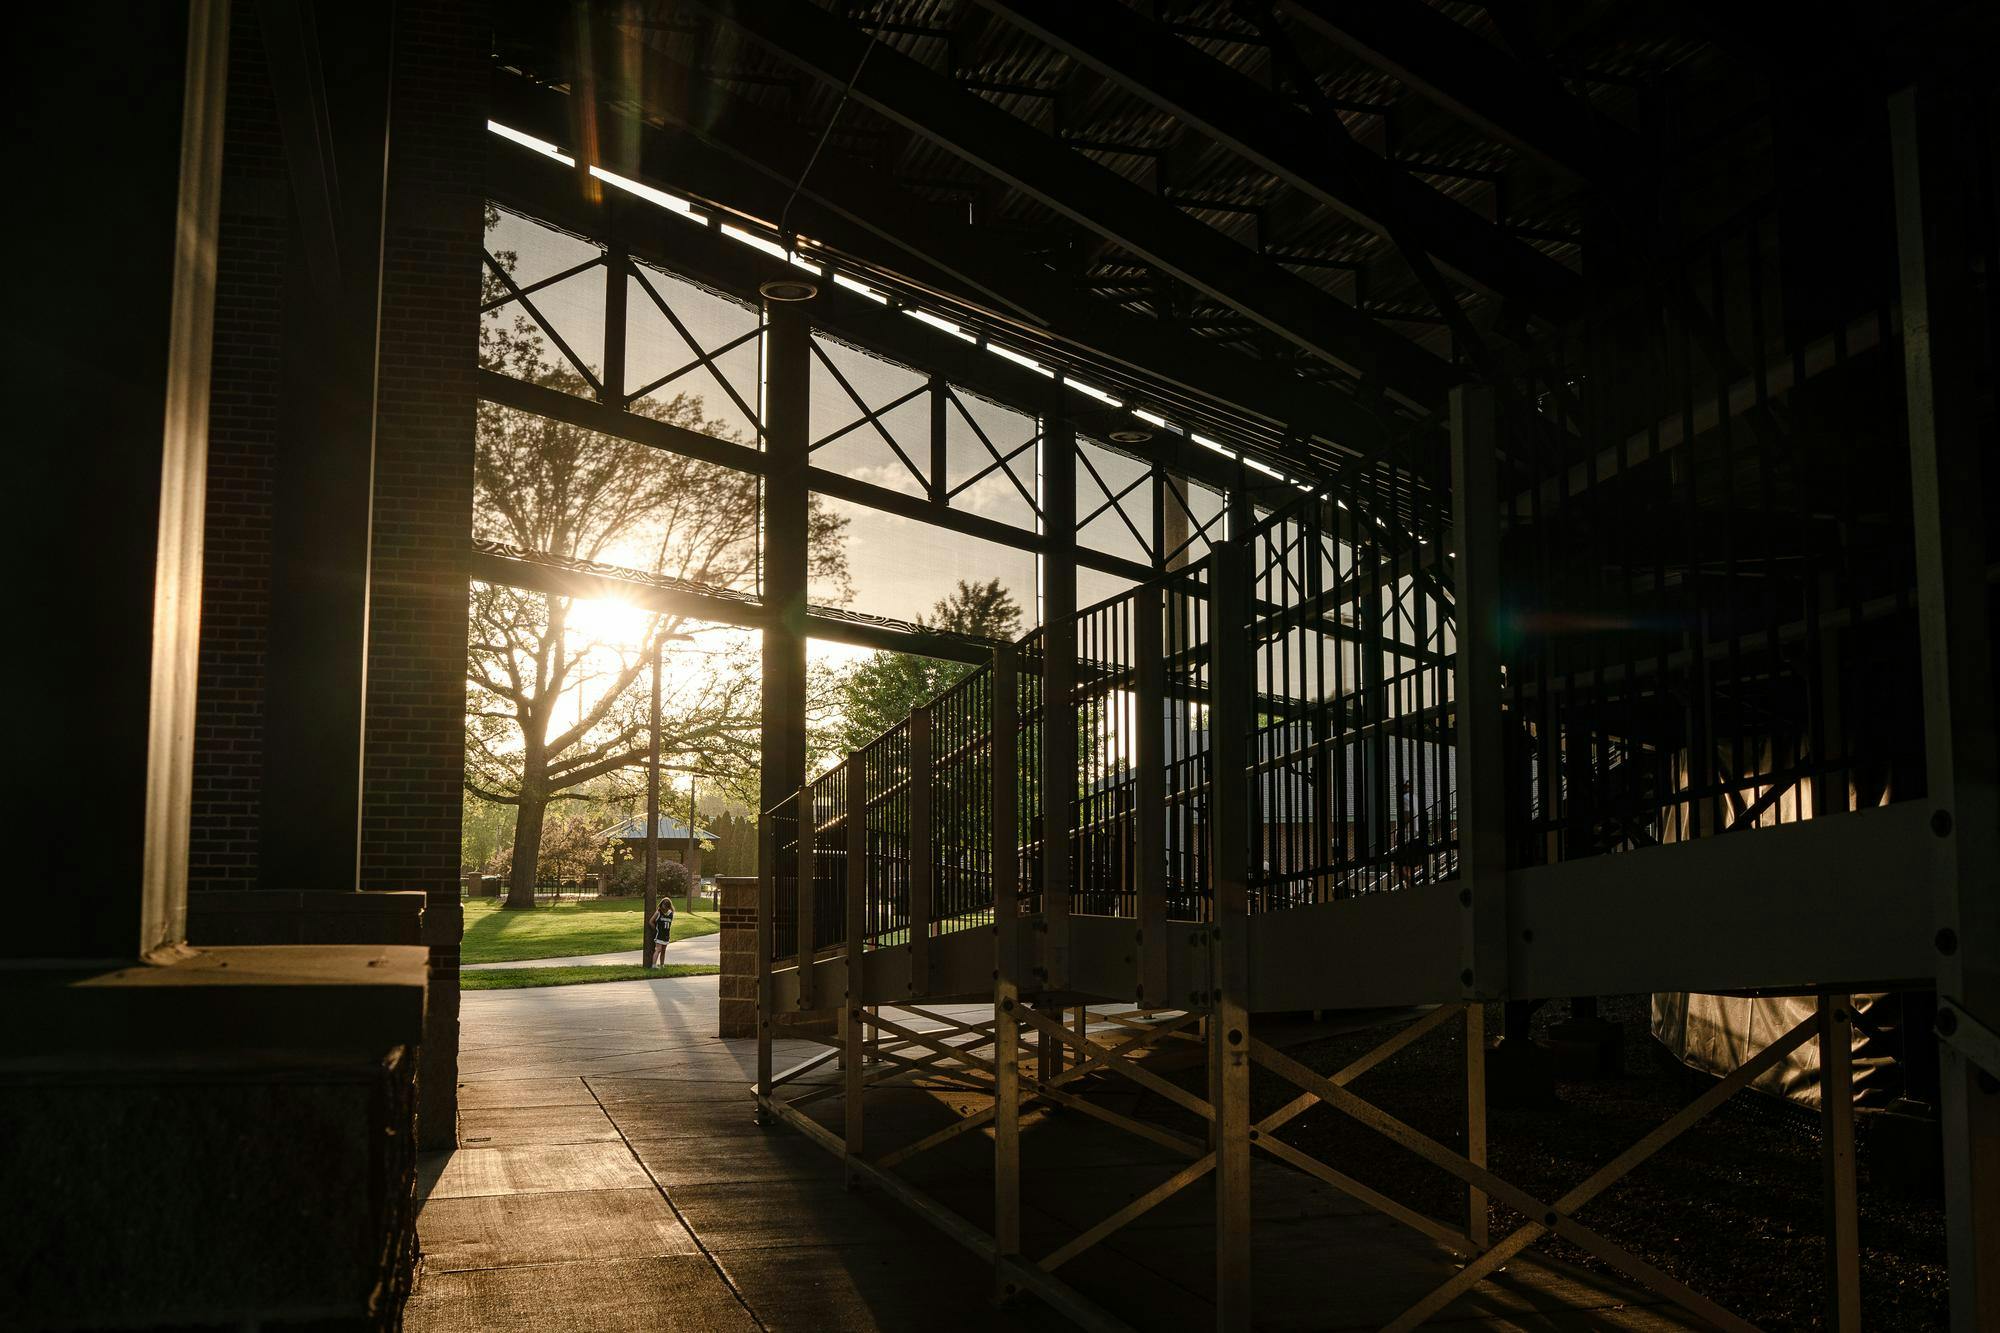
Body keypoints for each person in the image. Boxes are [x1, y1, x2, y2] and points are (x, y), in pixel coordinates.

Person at [649, 897, 675, 967]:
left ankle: (662, 965)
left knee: (663, 951)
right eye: (663, 906)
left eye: (666, 907)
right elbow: (651, 921)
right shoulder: (658, 912)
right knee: (658, 949)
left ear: (669, 906)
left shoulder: (671, 914)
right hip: (659, 934)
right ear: (661, 905)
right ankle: (654, 965)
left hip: (666, 935)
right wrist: (655, 929)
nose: (665, 909)